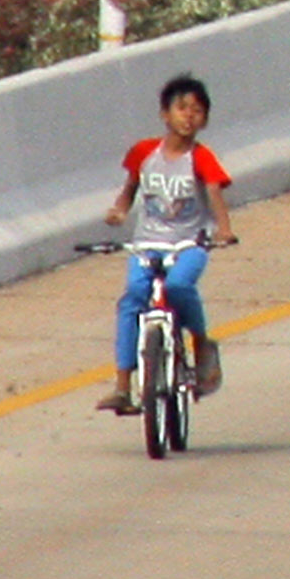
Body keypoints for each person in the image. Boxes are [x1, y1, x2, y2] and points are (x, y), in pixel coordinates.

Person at [100, 73, 236, 418]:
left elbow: (215, 191)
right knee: (132, 298)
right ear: (165, 114)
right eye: (182, 108)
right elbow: (131, 186)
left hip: (187, 244)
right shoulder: (144, 153)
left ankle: (202, 344)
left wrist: (224, 229)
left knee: (178, 285)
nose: (189, 116)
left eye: (197, 110)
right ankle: (122, 386)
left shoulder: (201, 157)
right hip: (147, 245)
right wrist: (119, 210)